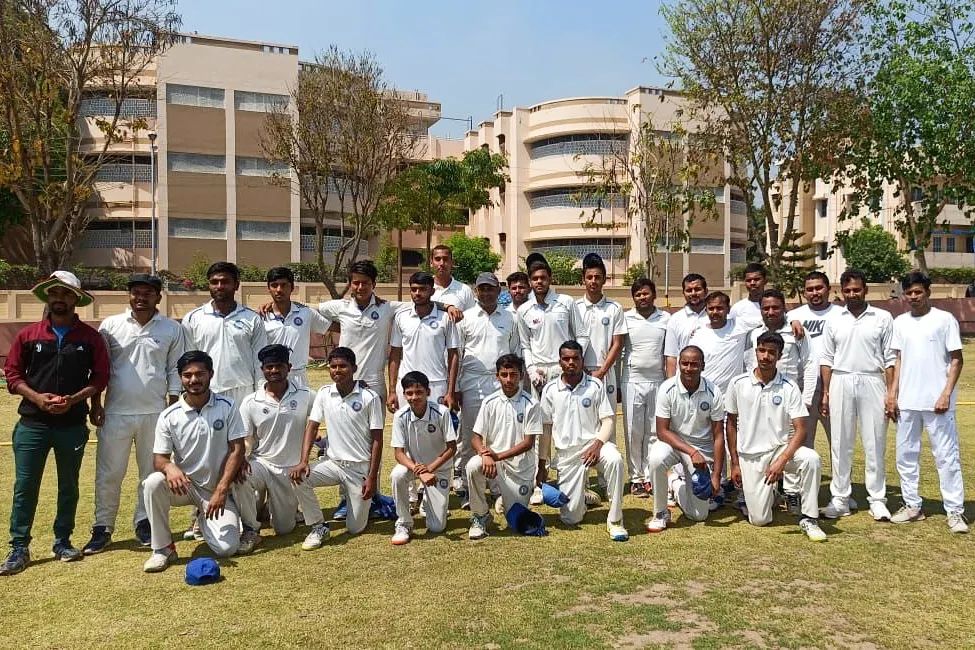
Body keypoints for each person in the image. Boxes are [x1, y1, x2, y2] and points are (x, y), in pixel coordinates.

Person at [1, 271, 109, 576]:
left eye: (66, 294)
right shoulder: (28, 335)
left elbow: (100, 377)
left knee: (69, 485)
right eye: (54, 294)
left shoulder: (90, 338)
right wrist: (36, 398)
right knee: (25, 486)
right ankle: (19, 546)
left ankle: (63, 540)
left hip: (72, 425)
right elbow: (12, 375)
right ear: (48, 298)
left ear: (77, 300)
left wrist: (76, 401)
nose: (59, 299)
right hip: (32, 424)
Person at [83, 274, 185, 555]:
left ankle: (144, 522)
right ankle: (102, 527)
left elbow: (174, 370)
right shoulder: (111, 326)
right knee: (109, 474)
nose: (141, 297)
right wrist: (96, 404)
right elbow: (99, 370)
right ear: (129, 295)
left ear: (158, 297)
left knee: (150, 473)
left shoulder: (170, 329)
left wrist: (173, 407)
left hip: (155, 413)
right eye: (136, 292)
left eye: (148, 293)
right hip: (115, 412)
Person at [142, 351, 247, 573]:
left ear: (211, 374)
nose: (194, 380)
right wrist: (170, 468)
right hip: (185, 486)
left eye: (200, 374)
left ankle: (204, 519)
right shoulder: (169, 415)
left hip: (216, 492)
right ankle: (163, 548)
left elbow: (237, 449)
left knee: (226, 549)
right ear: (180, 377)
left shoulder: (227, 406)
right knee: (152, 483)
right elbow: (159, 459)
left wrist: (221, 489)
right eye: (187, 375)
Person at [886, 272, 968, 533]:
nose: (913, 297)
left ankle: (955, 511)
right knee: (906, 455)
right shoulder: (900, 323)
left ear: (927, 292)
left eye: (918, 292)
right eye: (908, 293)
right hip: (908, 402)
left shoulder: (944, 320)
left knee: (946, 457)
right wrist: (893, 394)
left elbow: (957, 359)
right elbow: (899, 360)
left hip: (937, 403)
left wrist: (945, 394)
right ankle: (912, 505)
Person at [726, 332, 827, 542]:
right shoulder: (738, 383)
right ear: (755, 351)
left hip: (780, 451)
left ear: (779, 356)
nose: (765, 356)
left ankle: (809, 517)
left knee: (811, 459)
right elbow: (730, 423)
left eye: (772, 352)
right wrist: (735, 463)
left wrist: (781, 461)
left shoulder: (789, 386)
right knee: (760, 520)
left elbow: (801, 429)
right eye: (762, 351)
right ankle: (774, 495)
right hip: (751, 456)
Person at [291, 347, 385, 548]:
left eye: (343, 366)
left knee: (355, 528)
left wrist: (372, 477)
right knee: (298, 477)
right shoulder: (324, 393)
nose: (337, 370)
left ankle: (369, 503)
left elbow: (378, 439)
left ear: (354, 368)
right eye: (333, 366)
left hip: (359, 469)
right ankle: (318, 526)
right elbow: (312, 426)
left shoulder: (370, 397)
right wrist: (303, 461)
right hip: (333, 464)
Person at [820, 269, 895, 521]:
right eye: (848, 290)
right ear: (842, 292)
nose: (852, 294)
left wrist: (891, 393)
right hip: (841, 379)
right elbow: (827, 359)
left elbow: (890, 358)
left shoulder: (882, 317)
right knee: (841, 443)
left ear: (866, 290)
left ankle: (877, 499)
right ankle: (840, 498)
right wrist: (827, 392)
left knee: (875, 442)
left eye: (857, 290)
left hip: (872, 380)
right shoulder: (834, 319)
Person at [539, 341, 628, 541]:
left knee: (615, 460)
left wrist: (597, 445)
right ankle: (584, 496)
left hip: (595, 447)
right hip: (568, 455)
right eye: (566, 359)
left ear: (581, 360)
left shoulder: (595, 385)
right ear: (560, 361)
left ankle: (615, 521)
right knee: (571, 518)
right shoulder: (550, 390)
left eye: (575, 358)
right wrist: (542, 464)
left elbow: (608, 421)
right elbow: (546, 429)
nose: (571, 362)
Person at [234, 344, 318, 553]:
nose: (274, 371)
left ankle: (273, 508)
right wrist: (242, 460)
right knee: (241, 477)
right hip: (262, 463)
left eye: (279, 366)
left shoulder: (306, 395)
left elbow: (326, 414)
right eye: (269, 367)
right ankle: (251, 529)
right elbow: (246, 438)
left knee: (284, 529)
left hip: (290, 470)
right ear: (262, 369)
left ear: (289, 367)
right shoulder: (250, 401)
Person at [645, 345, 725, 532]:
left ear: (703, 366)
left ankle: (675, 482)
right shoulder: (667, 388)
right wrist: (691, 451)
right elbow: (662, 431)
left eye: (694, 364)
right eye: (685, 364)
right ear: (679, 364)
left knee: (699, 515)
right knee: (656, 458)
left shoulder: (713, 391)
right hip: (673, 444)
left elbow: (719, 435)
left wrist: (716, 476)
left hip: (700, 451)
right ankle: (660, 512)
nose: (689, 368)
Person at [454, 272, 520, 499]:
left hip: (500, 381)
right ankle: (466, 482)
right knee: (471, 433)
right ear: (476, 291)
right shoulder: (466, 317)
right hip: (472, 381)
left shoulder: (510, 318)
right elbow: (457, 355)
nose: (486, 293)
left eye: (490, 288)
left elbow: (515, 351)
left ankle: (496, 485)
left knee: (498, 433)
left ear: (498, 291)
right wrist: (456, 387)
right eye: (482, 289)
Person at [466, 354, 541, 539]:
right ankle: (480, 515)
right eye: (504, 374)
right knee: (473, 465)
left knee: (516, 522)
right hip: (493, 464)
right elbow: (475, 437)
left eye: (513, 374)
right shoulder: (489, 401)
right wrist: (484, 453)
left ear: (521, 375)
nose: (509, 379)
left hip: (519, 469)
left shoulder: (531, 403)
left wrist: (496, 456)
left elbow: (528, 443)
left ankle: (504, 499)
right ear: (497, 376)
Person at [181, 261, 267, 406]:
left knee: (244, 430)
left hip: (243, 389)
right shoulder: (193, 318)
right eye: (214, 282)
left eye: (225, 282)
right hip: (207, 389)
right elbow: (188, 359)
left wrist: (261, 392)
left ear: (236, 285)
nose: (219, 286)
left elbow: (260, 359)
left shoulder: (252, 318)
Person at [389, 372, 458, 545]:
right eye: (409, 393)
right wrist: (418, 470)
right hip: (414, 467)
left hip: (438, 469)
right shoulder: (400, 416)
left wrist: (430, 469)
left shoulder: (441, 412)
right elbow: (398, 453)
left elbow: (452, 448)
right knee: (397, 475)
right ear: (404, 395)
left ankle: (427, 502)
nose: (414, 397)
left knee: (437, 527)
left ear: (428, 392)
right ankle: (404, 523)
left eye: (419, 392)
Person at [620, 278, 670, 497]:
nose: (642, 297)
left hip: (658, 380)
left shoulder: (666, 318)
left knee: (653, 430)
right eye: (638, 294)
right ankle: (636, 477)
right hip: (632, 379)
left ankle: (651, 475)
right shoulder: (625, 318)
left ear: (654, 295)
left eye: (646, 293)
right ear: (633, 298)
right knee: (633, 430)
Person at [517, 253, 589, 398]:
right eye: (535, 279)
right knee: (542, 418)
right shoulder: (523, 310)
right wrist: (531, 370)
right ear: (530, 282)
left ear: (550, 278)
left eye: (543, 278)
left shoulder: (566, 302)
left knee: (565, 414)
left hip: (563, 368)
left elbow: (582, 335)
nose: (539, 282)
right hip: (539, 371)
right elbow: (525, 345)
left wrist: (573, 361)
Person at [387, 271, 460, 412]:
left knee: (437, 431)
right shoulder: (401, 317)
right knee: (407, 429)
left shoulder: (445, 318)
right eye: (414, 289)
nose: (417, 293)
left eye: (422, 289)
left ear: (432, 291)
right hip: (406, 384)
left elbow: (453, 355)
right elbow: (395, 353)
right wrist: (391, 391)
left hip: (436, 384)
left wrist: (450, 392)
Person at [787, 271, 843, 453]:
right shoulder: (793, 316)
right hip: (805, 387)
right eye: (809, 289)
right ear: (804, 293)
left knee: (839, 440)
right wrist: (792, 321)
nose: (815, 293)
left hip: (834, 385)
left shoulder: (843, 315)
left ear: (828, 289)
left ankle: (842, 482)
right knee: (803, 440)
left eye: (819, 288)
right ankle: (805, 481)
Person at [261, 266, 332, 388]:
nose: (279, 289)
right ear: (268, 288)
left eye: (284, 285)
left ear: (292, 287)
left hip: (298, 378)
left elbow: (336, 327)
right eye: (274, 285)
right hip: (270, 377)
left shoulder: (306, 313)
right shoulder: (260, 317)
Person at [576, 253, 627, 402]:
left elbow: (618, 343)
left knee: (607, 421)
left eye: (597, 277)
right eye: (589, 277)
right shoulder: (574, 307)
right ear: (583, 279)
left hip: (606, 371)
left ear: (604, 279)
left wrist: (602, 371)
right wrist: (581, 369)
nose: (593, 281)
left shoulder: (615, 308)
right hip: (580, 372)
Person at [664, 273, 710, 377]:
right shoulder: (675, 319)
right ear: (683, 293)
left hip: (712, 379)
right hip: (685, 380)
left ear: (706, 291)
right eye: (689, 290)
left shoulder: (715, 317)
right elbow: (671, 356)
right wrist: (671, 384)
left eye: (697, 289)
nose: (693, 293)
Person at [430, 244, 476, 310]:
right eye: (437, 259)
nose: (442, 263)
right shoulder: (423, 289)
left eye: (445, 259)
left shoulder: (465, 290)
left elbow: (471, 318)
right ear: (431, 263)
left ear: (452, 262)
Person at [728, 262, 767, 332]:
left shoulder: (773, 307)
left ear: (765, 281)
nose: (752, 283)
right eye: (748, 280)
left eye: (757, 279)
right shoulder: (737, 308)